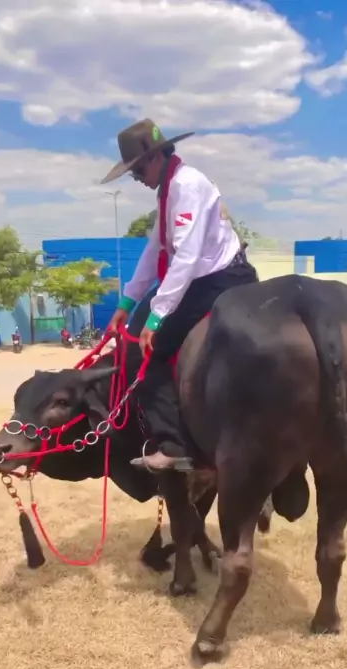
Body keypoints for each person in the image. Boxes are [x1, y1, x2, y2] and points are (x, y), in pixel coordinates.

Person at [101, 118, 258, 472]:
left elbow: (186, 256)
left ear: (155, 157)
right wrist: (127, 302)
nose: (136, 178)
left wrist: (156, 317)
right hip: (208, 276)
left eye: (137, 169)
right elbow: (155, 247)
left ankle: (172, 443)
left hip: (218, 280)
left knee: (147, 354)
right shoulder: (169, 189)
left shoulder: (186, 186)